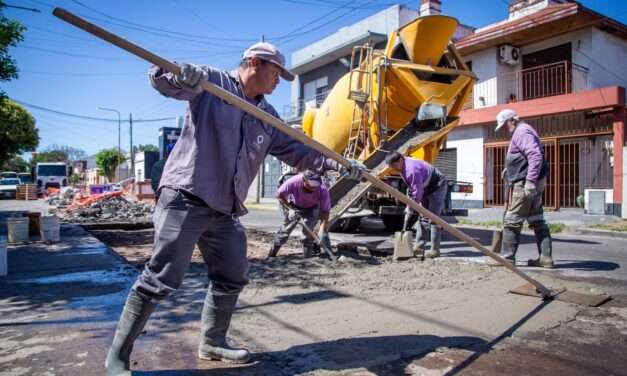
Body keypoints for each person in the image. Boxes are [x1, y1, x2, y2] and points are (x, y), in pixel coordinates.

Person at [105, 42, 365, 375]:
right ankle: (118, 355)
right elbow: (161, 77)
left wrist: (339, 164)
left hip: (224, 208)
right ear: (255, 63)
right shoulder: (211, 84)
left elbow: (299, 151)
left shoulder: (267, 117)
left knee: (232, 273)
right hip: (187, 195)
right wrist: (180, 74)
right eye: (276, 73)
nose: (278, 82)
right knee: (162, 276)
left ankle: (213, 342)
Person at [495, 109, 553, 268]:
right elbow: (524, 157)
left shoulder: (521, 132)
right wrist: (510, 169)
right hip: (533, 181)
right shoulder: (525, 130)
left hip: (525, 184)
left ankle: (507, 258)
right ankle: (545, 258)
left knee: (512, 220)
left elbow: (534, 155)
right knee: (536, 219)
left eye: (504, 126)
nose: (504, 130)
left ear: (512, 120)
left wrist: (529, 182)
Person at [385, 151, 448, 259]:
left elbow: (417, 192)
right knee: (423, 218)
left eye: (394, 165)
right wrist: (409, 202)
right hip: (425, 187)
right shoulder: (402, 167)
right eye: (391, 166)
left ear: (400, 160)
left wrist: (411, 207)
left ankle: (434, 250)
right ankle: (419, 247)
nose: (393, 168)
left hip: (437, 186)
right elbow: (413, 188)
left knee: (434, 218)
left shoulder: (411, 170)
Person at [270, 170, 332, 258]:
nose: (313, 188)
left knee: (307, 233)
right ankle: (271, 256)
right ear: (303, 180)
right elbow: (279, 195)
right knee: (285, 231)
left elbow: (325, 211)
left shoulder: (322, 189)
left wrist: (322, 230)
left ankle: (307, 257)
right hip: (294, 205)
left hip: (312, 207)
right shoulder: (293, 182)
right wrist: (290, 209)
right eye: (310, 185)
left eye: (315, 186)